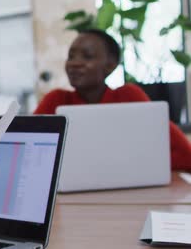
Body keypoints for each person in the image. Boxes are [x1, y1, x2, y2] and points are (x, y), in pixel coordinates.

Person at [34, 29, 191, 170]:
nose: (74, 63)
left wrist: (128, 164)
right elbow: (28, 152)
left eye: (87, 56)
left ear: (110, 65)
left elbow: (185, 155)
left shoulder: (129, 97)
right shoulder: (56, 100)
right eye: (71, 56)